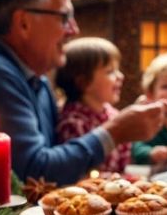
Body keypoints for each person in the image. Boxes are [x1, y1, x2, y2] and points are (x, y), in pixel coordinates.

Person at [0, 0, 165, 184]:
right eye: (64, 18)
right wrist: (114, 132)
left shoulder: (36, 79)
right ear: (23, 23)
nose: (74, 30)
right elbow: (34, 175)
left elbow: (57, 155)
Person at [55, 37, 130, 173]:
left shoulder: (113, 114)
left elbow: (122, 164)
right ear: (83, 82)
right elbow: (78, 172)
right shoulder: (73, 123)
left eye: (117, 70)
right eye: (110, 71)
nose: (120, 76)